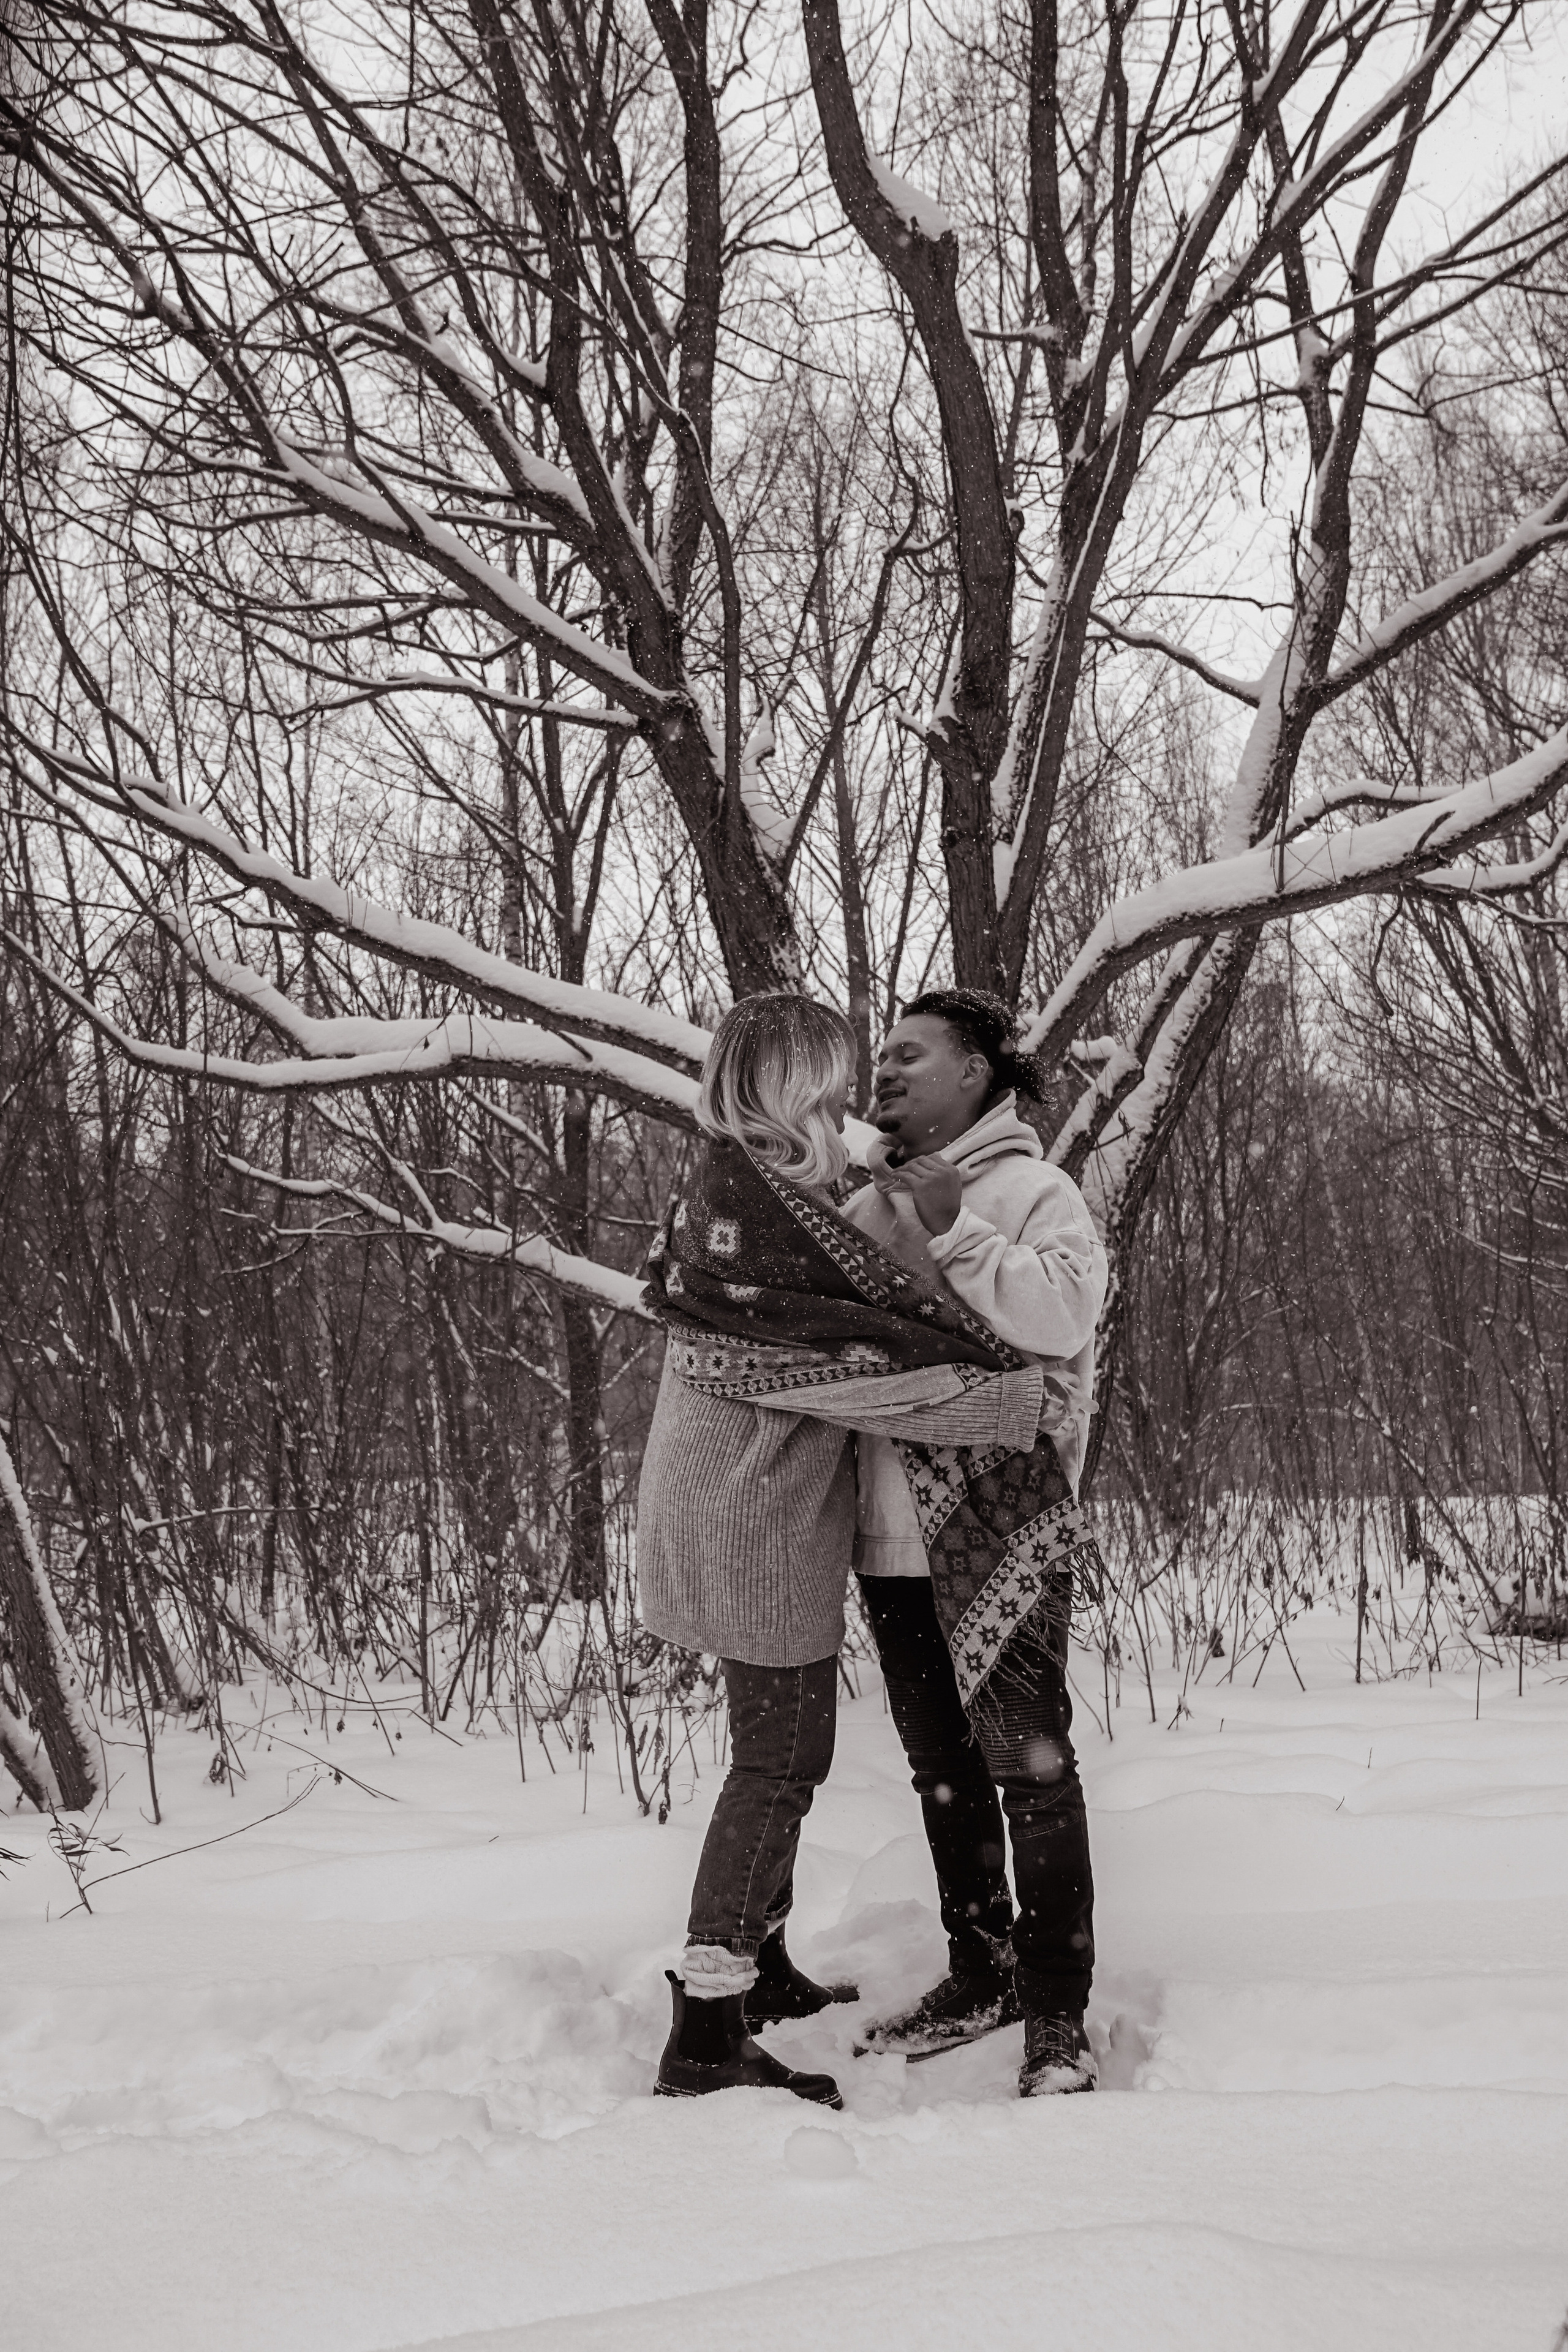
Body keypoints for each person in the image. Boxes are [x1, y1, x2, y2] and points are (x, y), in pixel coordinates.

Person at [637, 994, 1053, 2108]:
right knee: (780, 1763)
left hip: (735, 1504)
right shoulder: (761, 1208)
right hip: (749, 1516)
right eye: (828, 1078)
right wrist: (1005, 1403)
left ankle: (759, 1965)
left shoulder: (758, 1188)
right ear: (784, 1088)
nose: (852, 1097)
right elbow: (844, 1370)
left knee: (776, 1754)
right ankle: (707, 2027)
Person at [842, 987, 1109, 2096]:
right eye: (881, 1057)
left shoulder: (1033, 1189)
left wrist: (956, 1223)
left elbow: (1060, 1321)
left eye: (911, 1054)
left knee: (1031, 1774)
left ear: (974, 1074)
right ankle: (981, 1969)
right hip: (888, 1538)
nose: (887, 1071)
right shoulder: (860, 1204)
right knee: (943, 1773)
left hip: (1003, 1536)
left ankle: (1055, 2012)